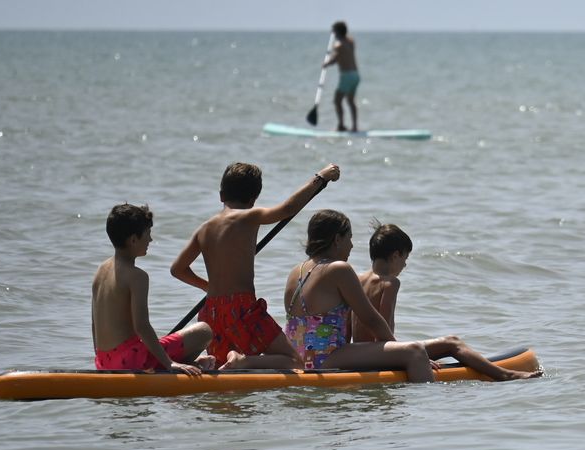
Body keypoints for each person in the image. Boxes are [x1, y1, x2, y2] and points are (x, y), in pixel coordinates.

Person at [170, 161, 340, 370]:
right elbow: (288, 208)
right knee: (294, 361)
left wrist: (208, 287)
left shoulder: (204, 229)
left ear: (221, 195)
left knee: (225, 369)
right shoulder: (250, 216)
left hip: (211, 310)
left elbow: (177, 269)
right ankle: (245, 360)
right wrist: (320, 178)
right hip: (242, 307)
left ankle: (221, 367)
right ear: (253, 199)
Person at [352, 222, 542, 381]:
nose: (405, 265)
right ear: (396, 256)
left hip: (359, 353)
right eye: (405, 258)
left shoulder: (358, 280)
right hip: (379, 354)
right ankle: (504, 374)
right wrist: (410, 356)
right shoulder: (390, 283)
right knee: (452, 343)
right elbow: (384, 332)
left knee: (446, 344)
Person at [281, 210, 439, 380]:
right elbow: (371, 319)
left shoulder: (296, 271)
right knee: (414, 351)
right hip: (324, 358)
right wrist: (399, 353)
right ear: (337, 240)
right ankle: (426, 403)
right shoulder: (339, 268)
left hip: (296, 357)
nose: (352, 245)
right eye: (349, 238)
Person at [92, 203, 216, 374]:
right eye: (147, 234)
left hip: (103, 361)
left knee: (155, 342)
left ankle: (186, 364)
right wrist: (169, 363)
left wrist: (101, 360)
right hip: (130, 362)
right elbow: (141, 326)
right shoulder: (137, 277)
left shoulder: (100, 270)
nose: (150, 240)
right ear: (133, 240)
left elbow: (94, 323)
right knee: (204, 331)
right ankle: (173, 367)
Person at [321, 20, 360, 132]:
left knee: (337, 100)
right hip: (355, 75)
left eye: (333, 31)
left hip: (347, 76)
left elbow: (335, 59)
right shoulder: (351, 42)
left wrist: (326, 63)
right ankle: (355, 127)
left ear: (337, 32)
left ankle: (341, 125)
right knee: (351, 101)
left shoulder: (338, 45)